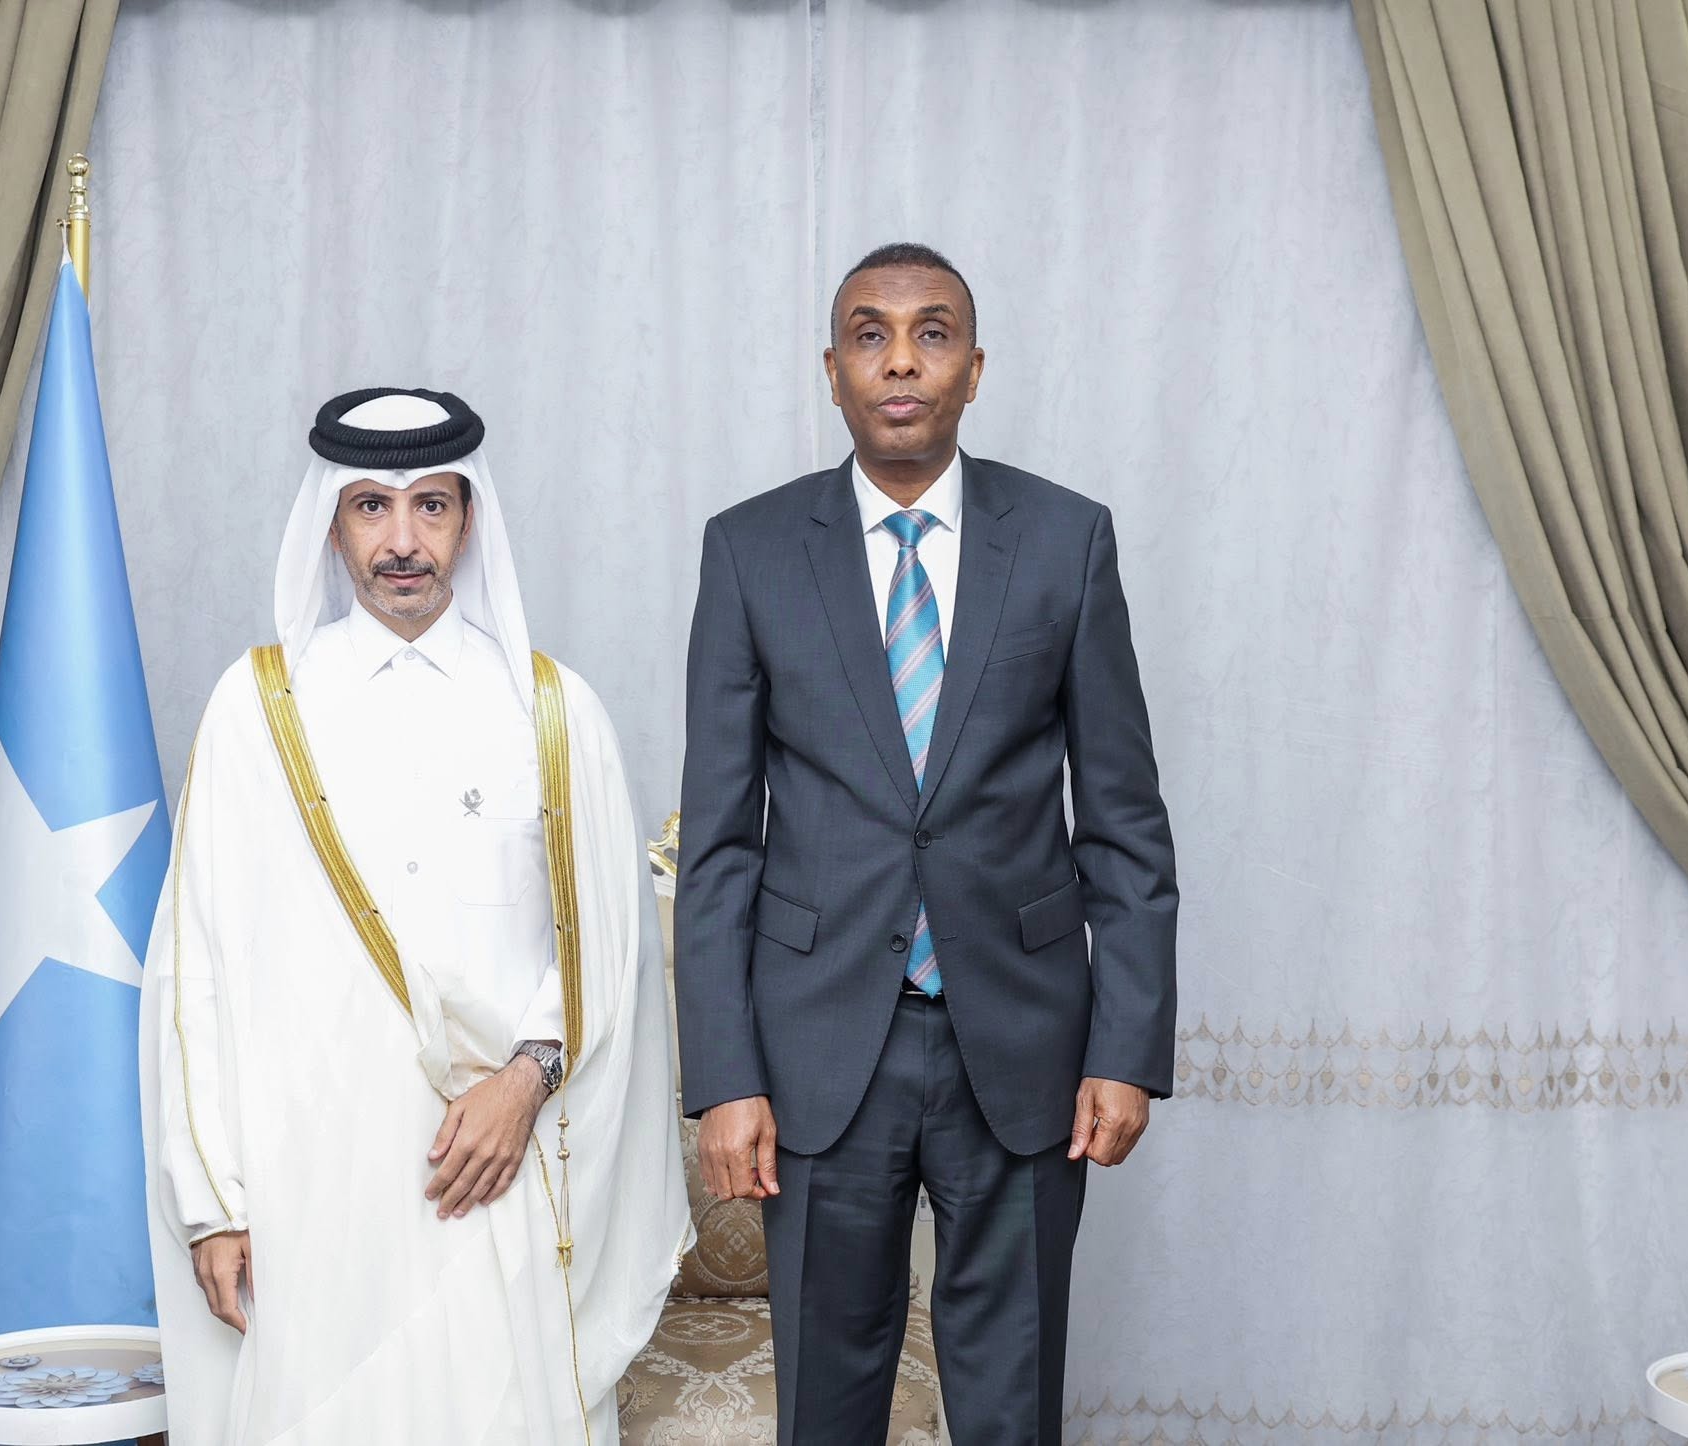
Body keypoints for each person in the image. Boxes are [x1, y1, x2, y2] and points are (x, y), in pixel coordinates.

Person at [675, 244, 1179, 1445]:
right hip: (816, 1050)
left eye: (930, 333)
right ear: (832, 371)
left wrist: (1125, 1047)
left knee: (1009, 1403)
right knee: (826, 1403)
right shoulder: (749, 549)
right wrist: (725, 1076)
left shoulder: (1063, 540)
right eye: (869, 334)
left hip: (1021, 1045)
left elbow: (1122, 824)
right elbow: (720, 843)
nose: (899, 359)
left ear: (973, 369)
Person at [140, 387, 689, 1445]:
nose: (402, 542)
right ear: (331, 525)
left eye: (430, 506)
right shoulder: (257, 712)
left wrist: (523, 1084)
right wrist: (212, 1202)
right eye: (371, 508)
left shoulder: (552, 712)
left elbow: (608, 952)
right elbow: (192, 971)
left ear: (468, 520)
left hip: (491, 1180)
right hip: (308, 1202)